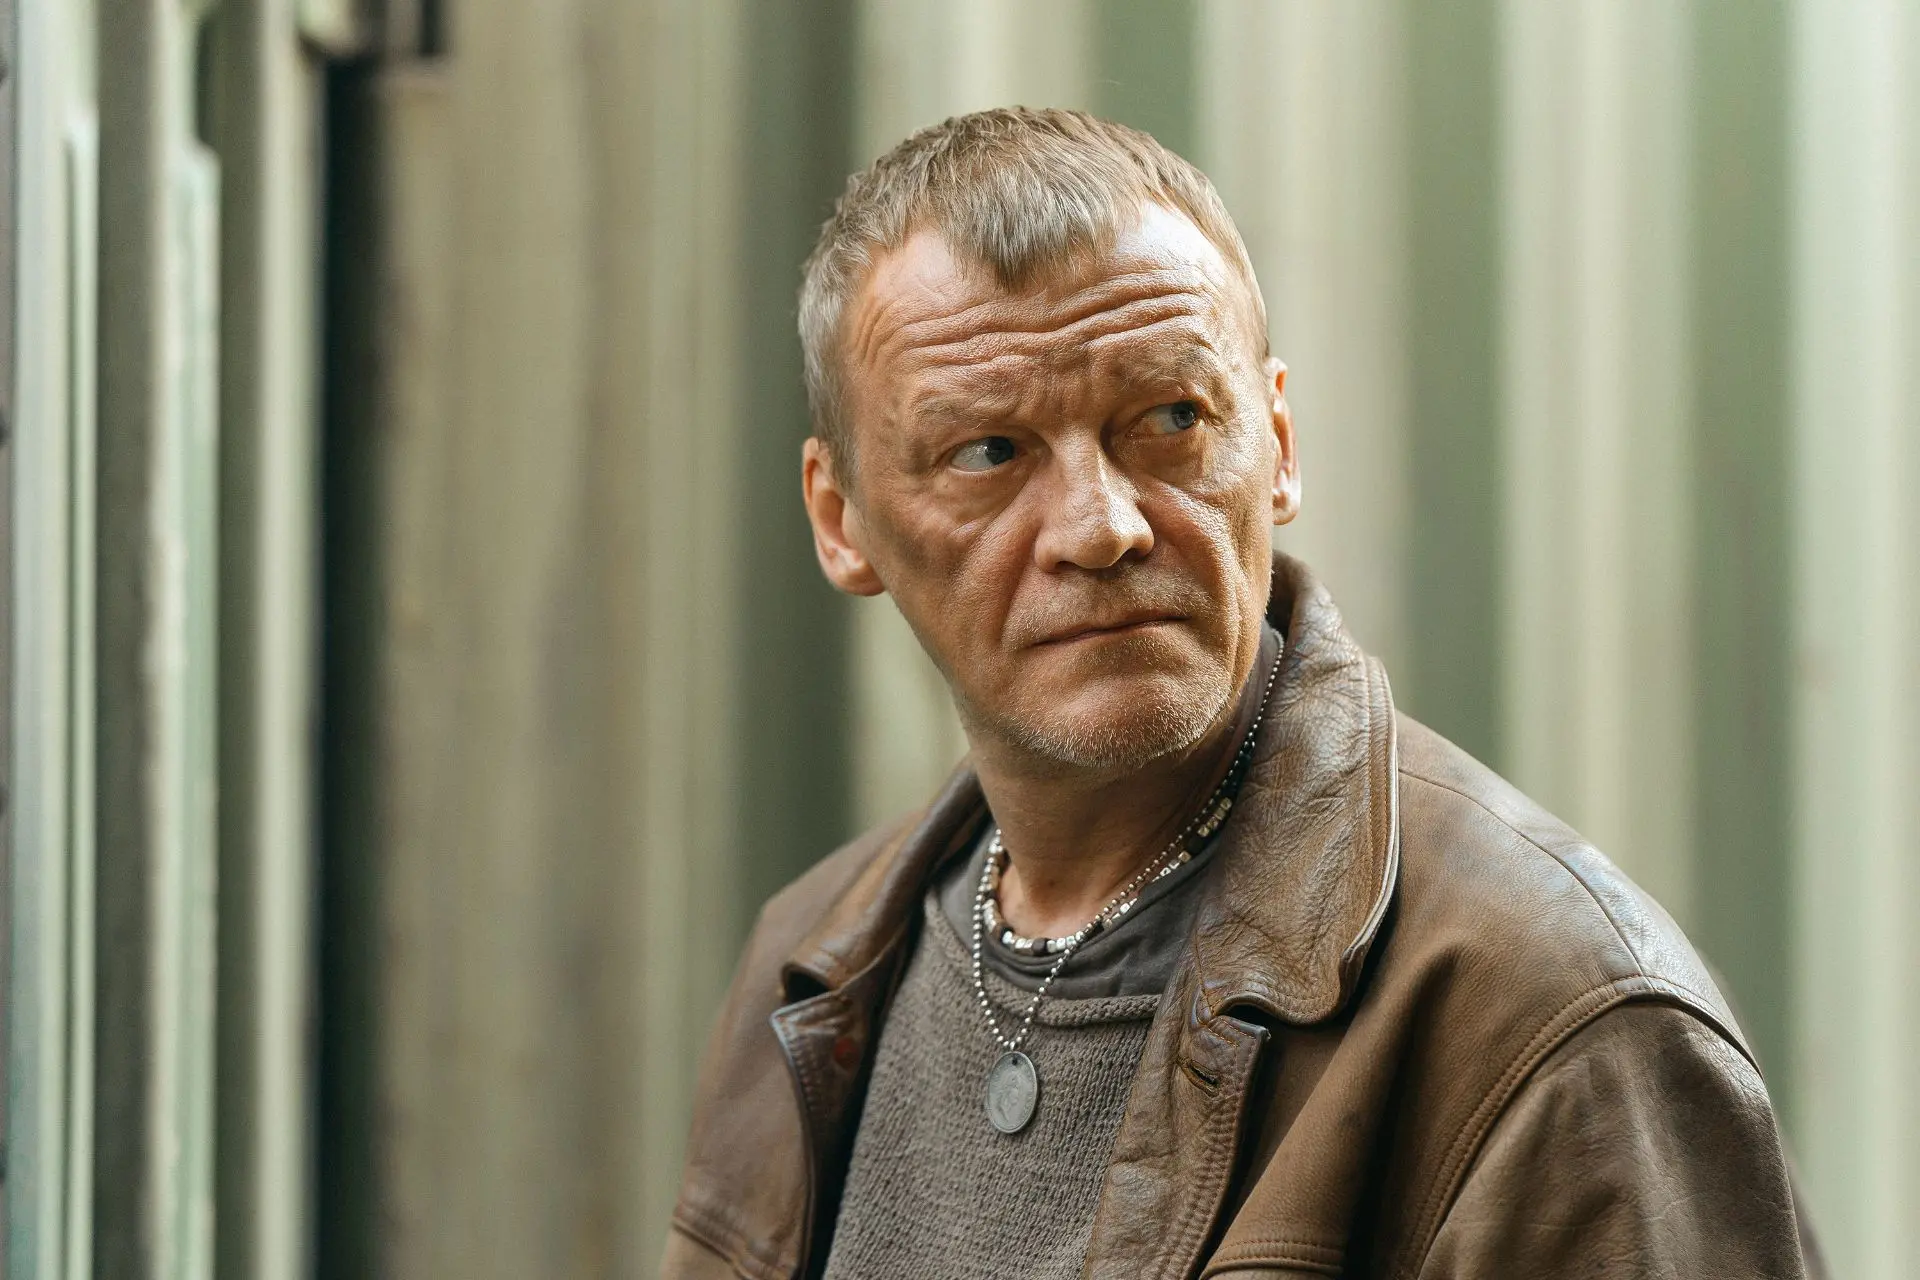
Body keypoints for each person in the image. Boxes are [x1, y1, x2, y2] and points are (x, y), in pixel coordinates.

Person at [661, 107, 1815, 1279]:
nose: (1100, 526)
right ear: (841, 519)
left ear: (1278, 442)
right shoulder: (811, 969)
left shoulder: (1552, 1017)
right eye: (989, 452)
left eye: (1170, 419)